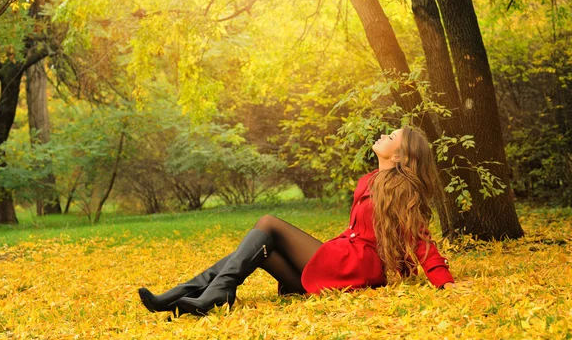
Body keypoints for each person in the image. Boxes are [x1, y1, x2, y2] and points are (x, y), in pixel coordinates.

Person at [138, 126, 456, 317]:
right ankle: (187, 295)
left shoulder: (402, 189)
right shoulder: (369, 180)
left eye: (392, 136)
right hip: (342, 256)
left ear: (400, 156)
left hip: (357, 264)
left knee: (268, 224)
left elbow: (420, 238)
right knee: (263, 249)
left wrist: (444, 281)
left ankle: (209, 294)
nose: (384, 134)